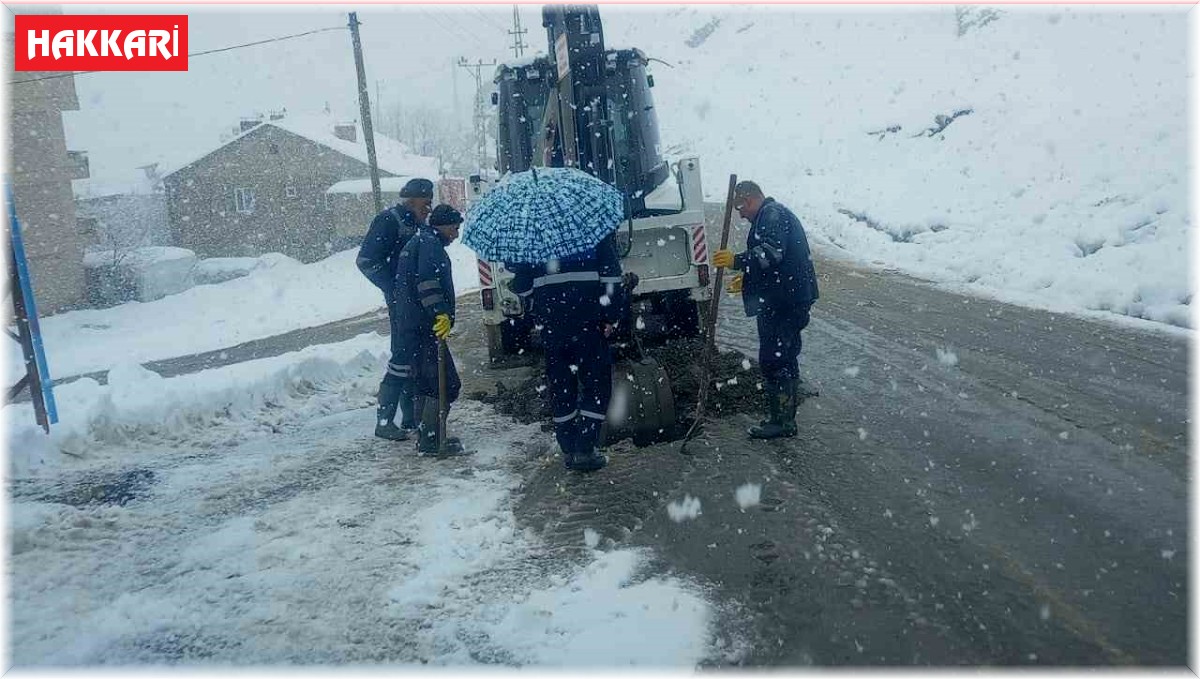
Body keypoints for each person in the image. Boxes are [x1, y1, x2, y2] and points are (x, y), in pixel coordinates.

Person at [508, 235, 625, 472]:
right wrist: (611, 316)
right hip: (589, 325)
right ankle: (585, 446)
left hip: (553, 329)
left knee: (562, 387)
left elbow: (520, 285)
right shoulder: (594, 236)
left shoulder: (533, 241)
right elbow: (612, 279)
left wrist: (540, 303)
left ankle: (569, 447)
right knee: (597, 385)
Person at [712, 181, 819, 439]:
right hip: (786, 299)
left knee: (775, 359)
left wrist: (737, 261)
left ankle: (782, 422)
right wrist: (750, 279)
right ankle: (783, 419)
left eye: (740, 208)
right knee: (784, 357)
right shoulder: (771, 215)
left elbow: (771, 253)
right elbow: (772, 262)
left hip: (786, 303)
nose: (740, 214)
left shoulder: (772, 214)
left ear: (749, 200)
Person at [356, 178, 433, 441]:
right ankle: (384, 422)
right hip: (402, 304)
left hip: (417, 303)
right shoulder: (389, 221)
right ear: (411, 200)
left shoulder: (418, 224)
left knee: (414, 358)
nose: (429, 208)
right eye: (426, 202)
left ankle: (410, 418)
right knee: (401, 356)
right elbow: (366, 261)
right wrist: (395, 287)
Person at [394, 204, 470, 457]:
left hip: (411, 326)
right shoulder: (429, 245)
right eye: (454, 228)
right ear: (442, 225)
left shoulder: (420, 240)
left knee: (425, 383)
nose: (456, 234)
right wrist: (439, 314)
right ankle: (431, 440)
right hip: (424, 327)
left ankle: (427, 437)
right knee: (445, 383)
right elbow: (427, 283)